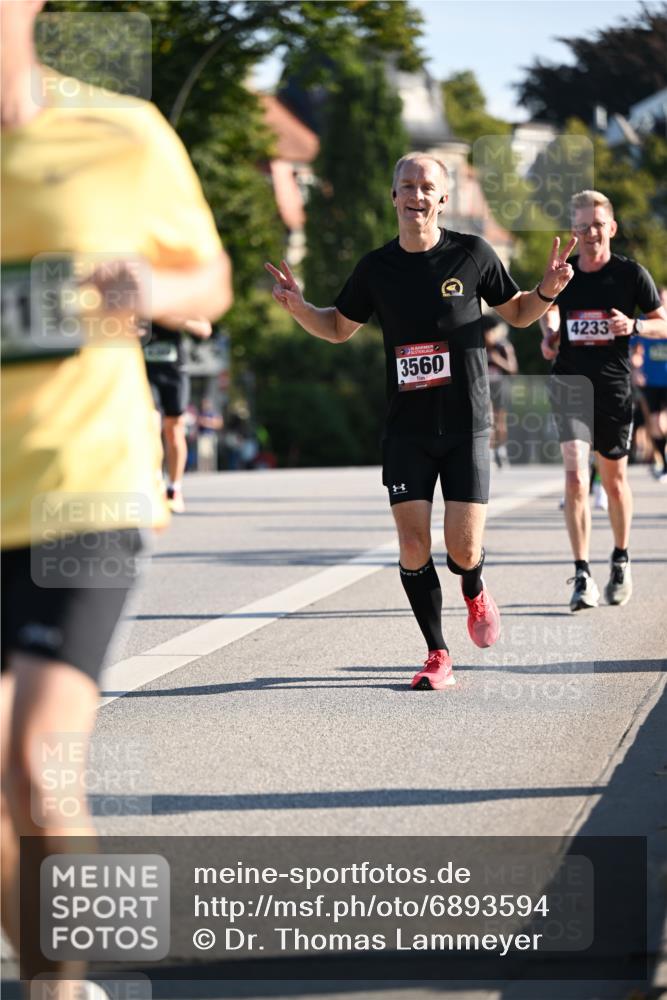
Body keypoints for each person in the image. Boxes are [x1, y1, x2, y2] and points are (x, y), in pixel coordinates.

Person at [0, 2, 232, 994]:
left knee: (34, 768)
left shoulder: (119, 131)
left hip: (82, 488)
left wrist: (151, 286)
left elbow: (210, 276)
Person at [266, 151, 576, 691]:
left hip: (466, 423)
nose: (416, 194)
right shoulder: (375, 268)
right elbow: (337, 327)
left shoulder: (472, 255)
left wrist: (548, 289)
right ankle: (437, 653)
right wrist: (299, 308)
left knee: (462, 549)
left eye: (426, 186)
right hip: (406, 427)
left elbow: (520, 312)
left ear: (443, 198)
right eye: (406, 185)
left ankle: (473, 586)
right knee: (412, 545)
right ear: (394, 197)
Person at [540, 191, 667, 611]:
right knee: (576, 479)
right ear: (573, 231)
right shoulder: (565, 273)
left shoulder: (631, 274)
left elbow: (662, 323)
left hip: (613, 387)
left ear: (611, 227)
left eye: (597, 224)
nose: (590, 232)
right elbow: (548, 309)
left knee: (613, 481)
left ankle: (621, 558)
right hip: (570, 384)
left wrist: (634, 325)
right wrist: (550, 333)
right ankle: (582, 574)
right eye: (582, 226)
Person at [143, 317, 213, 512]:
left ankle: (174, 489)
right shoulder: (137, 301)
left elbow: (205, 329)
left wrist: (175, 319)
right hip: (146, 371)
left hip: (175, 372)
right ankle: (156, 481)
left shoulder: (176, 302)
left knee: (174, 430)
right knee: (151, 423)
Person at [636, 287, 667, 482]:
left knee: (663, 422)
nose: (662, 301)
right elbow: (635, 350)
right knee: (655, 424)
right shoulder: (645, 321)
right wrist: (636, 369)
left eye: (664, 298)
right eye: (659, 298)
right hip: (651, 381)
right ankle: (664, 463)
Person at [482, 313, 518, 468]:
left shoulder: (503, 347)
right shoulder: (479, 348)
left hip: (499, 386)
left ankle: (501, 450)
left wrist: (497, 360)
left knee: (500, 421)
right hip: (484, 387)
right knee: (488, 418)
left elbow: (513, 369)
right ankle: (489, 452)